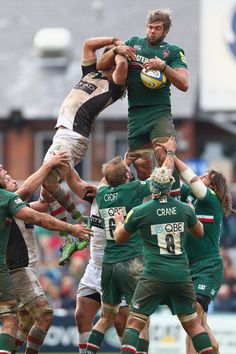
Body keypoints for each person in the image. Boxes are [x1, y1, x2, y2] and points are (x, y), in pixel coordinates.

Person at [41, 36, 131, 264]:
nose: (103, 59)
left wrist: (119, 52)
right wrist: (113, 40)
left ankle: (76, 224)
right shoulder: (90, 73)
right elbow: (88, 44)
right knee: (48, 193)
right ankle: (71, 231)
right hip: (62, 134)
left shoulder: (115, 85)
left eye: (107, 56)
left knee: (47, 181)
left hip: (73, 136)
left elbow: (121, 65)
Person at [114, 152, 215, 354]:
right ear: (169, 187)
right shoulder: (184, 209)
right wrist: (191, 215)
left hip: (153, 276)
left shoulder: (140, 211)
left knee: (134, 322)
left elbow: (119, 238)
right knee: (194, 326)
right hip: (181, 275)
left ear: (152, 186)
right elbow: (199, 233)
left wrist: (118, 223)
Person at [0, 164, 92, 354]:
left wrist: (48, 188)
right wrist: (48, 165)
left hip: (22, 269)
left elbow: (42, 205)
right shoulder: (9, 201)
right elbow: (30, 200)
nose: (8, 173)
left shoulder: (16, 204)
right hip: (16, 269)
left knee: (22, 321)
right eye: (3, 173)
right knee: (42, 316)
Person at [160, 138, 236, 354]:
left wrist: (173, 155)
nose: (200, 178)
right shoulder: (189, 198)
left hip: (208, 267)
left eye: (205, 177)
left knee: (193, 319)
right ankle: (215, 349)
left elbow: (189, 177)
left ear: (213, 186)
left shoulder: (211, 200)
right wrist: (164, 158)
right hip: (189, 266)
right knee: (196, 324)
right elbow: (174, 182)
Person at [97, 9, 189, 180]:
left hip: (159, 112)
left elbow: (184, 84)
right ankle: (147, 204)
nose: (152, 31)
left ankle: (173, 201)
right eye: (150, 27)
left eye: (157, 28)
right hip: (136, 113)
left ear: (165, 31)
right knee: (141, 168)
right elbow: (101, 65)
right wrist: (117, 50)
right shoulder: (133, 43)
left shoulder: (173, 51)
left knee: (163, 155)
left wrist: (163, 67)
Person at [85, 156, 151, 354]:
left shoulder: (103, 193)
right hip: (131, 261)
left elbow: (107, 180)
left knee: (106, 317)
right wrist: (170, 155)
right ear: (127, 175)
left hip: (109, 263)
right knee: (140, 316)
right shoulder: (134, 189)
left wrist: (123, 163)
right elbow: (159, 180)